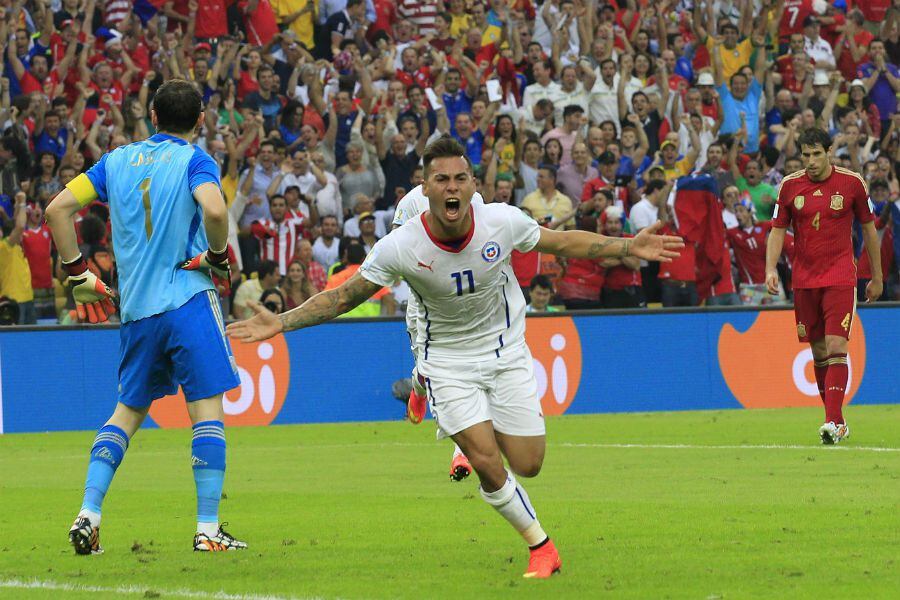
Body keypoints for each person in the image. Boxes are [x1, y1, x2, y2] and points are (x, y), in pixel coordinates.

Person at [226, 137, 682, 578]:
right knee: (484, 460)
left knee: (528, 463)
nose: (452, 187)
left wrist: (626, 246)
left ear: (473, 185)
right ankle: (541, 546)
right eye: (441, 178)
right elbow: (344, 296)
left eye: (461, 177)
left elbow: (561, 243)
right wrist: (282, 321)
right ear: (425, 188)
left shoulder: (501, 221)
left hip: (505, 349)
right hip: (445, 358)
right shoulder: (402, 243)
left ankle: (446, 410)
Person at [44, 80, 247, 554]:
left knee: (127, 413)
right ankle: (207, 529)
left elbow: (57, 210)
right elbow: (215, 210)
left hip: (135, 311)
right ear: (201, 121)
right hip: (187, 299)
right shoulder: (196, 160)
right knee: (206, 413)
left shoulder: (115, 161)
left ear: (152, 115)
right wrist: (217, 254)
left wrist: (77, 273)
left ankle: (88, 514)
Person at [765, 127, 881, 445]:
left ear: (829, 151)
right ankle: (836, 420)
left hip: (841, 276)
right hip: (804, 280)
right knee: (818, 352)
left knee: (835, 346)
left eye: (817, 153)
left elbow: (870, 230)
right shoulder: (789, 187)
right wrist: (770, 268)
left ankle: (833, 422)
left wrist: (877, 277)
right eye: (806, 155)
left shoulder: (852, 182)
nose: (812, 161)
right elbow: (777, 230)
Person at [392, 183, 486, 481]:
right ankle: (419, 386)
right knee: (431, 373)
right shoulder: (410, 202)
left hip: (462, 303)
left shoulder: (475, 200)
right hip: (424, 304)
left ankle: (461, 453)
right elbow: (394, 245)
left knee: (467, 377)